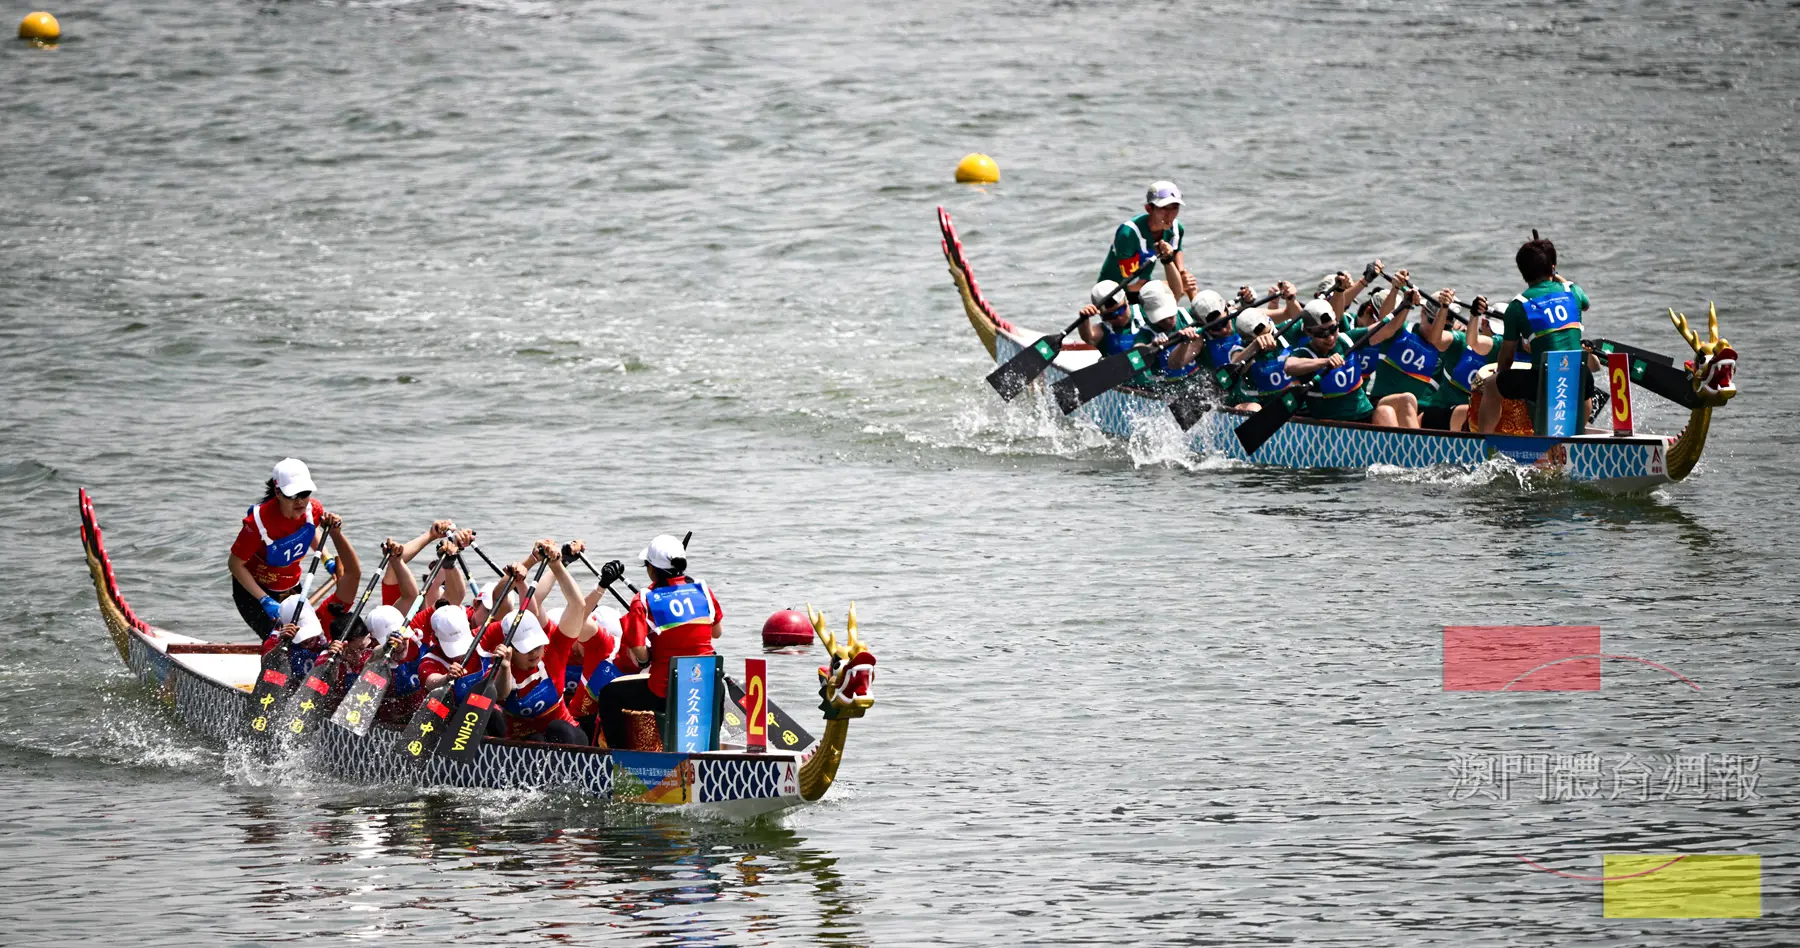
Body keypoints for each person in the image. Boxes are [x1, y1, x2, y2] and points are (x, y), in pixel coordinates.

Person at [597, 534, 724, 751]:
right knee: (717, 686)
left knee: (609, 695)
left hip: (664, 692)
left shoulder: (645, 599)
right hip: (706, 686)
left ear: (651, 568)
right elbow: (716, 632)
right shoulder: (703, 590)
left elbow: (639, 651)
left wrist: (650, 653)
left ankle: (619, 757)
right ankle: (710, 749)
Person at [1477, 232, 1592, 434]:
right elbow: (1586, 305)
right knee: (1583, 379)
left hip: (1544, 381)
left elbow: (1506, 357)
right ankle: (1577, 436)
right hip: (1582, 377)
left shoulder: (1518, 306)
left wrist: (1501, 377)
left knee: (1492, 384)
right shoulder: (1573, 290)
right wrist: (1555, 273)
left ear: (1523, 273)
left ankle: (1484, 441)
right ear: (1553, 267)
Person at [492, 542, 588, 746]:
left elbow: (578, 605)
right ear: (510, 648)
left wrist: (557, 565)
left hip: (569, 736)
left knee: (557, 728)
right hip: (522, 744)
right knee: (530, 736)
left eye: (537, 645)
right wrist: (505, 667)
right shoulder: (500, 662)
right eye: (526, 649)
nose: (535, 653)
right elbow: (498, 600)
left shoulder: (554, 651)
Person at [228, 458, 332, 637]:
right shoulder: (257, 523)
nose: (300, 501)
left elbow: (310, 531)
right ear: (277, 492)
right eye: (292, 496)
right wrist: (264, 599)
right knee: (277, 639)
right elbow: (235, 564)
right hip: (254, 593)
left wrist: (327, 559)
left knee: (307, 637)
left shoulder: (313, 510)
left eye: (305, 493)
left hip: (290, 585)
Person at [1285, 300, 1407, 425]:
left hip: (1364, 414)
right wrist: (1325, 362)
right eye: (1322, 333)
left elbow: (1388, 329)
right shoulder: (1304, 353)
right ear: (1307, 331)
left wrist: (1406, 305)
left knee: (1388, 409)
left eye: (1333, 329)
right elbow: (1289, 366)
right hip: (1336, 427)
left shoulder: (1348, 340)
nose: (1330, 338)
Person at [1093, 181, 1198, 305]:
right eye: (1163, 208)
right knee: (1176, 288)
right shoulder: (1128, 235)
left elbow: (1176, 251)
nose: (1170, 215)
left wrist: (1182, 274)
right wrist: (1176, 285)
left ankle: (1203, 315)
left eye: (1175, 207)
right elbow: (1133, 284)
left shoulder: (1175, 228)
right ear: (1149, 209)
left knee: (1188, 283)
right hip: (1113, 295)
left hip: (1142, 286)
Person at [1365, 287, 1453, 429]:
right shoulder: (1400, 332)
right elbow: (1385, 318)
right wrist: (1399, 295)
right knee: (1407, 399)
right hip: (1385, 403)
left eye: (1445, 326)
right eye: (1433, 321)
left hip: (1423, 413)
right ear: (1423, 312)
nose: (1438, 329)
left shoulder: (1450, 346)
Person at [1431, 293, 1497, 431]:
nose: (1497, 337)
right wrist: (1444, 308)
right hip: (1443, 410)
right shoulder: (1461, 341)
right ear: (1484, 324)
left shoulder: (1501, 351)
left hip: (1474, 417)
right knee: (1467, 411)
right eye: (1494, 331)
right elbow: (1436, 340)